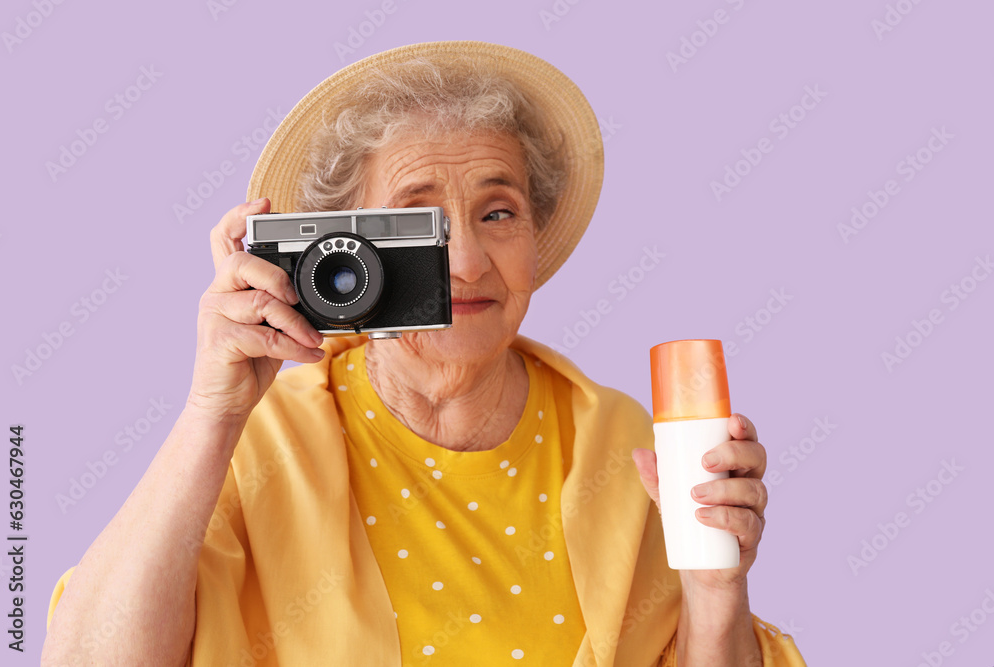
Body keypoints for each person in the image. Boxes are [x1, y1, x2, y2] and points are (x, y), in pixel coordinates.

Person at [42, 41, 806, 666]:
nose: (468, 261)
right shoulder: (262, 442)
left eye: (498, 212)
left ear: (535, 239)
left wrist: (716, 590)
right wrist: (212, 410)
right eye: (419, 225)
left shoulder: (619, 442)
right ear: (349, 252)